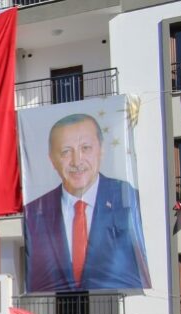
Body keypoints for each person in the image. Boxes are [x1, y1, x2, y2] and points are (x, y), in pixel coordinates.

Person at [23, 113, 150, 291]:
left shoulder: (128, 199)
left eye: (86, 148)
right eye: (66, 152)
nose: (77, 161)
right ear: (52, 159)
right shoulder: (34, 213)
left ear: (101, 150)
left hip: (117, 307)